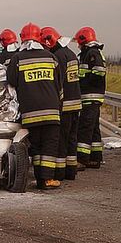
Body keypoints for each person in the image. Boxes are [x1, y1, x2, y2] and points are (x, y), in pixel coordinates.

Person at [6, 23, 63, 189]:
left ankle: (40, 178)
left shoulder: (17, 58)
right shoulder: (51, 57)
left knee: (36, 146)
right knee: (50, 145)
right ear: (40, 38)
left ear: (22, 38)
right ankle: (47, 179)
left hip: (30, 113)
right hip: (51, 111)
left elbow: (11, 82)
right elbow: (59, 85)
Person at [41, 26, 82, 180]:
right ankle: (71, 171)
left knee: (61, 140)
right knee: (72, 138)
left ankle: (59, 172)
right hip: (76, 103)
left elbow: (58, 83)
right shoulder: (71, 54)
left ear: (49, 42)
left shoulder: (57, 56)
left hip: (65, 105)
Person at [75, 27, 106, 169]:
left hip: (90, 96)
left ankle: (82, 159)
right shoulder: (89, 53)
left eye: (78, 42)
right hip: (92, 97)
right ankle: (95, 158)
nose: (78, 45)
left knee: (85, 128)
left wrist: (85, 83)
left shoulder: (92, 53)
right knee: (93, 129)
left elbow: (99, 71)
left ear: (83, 40)